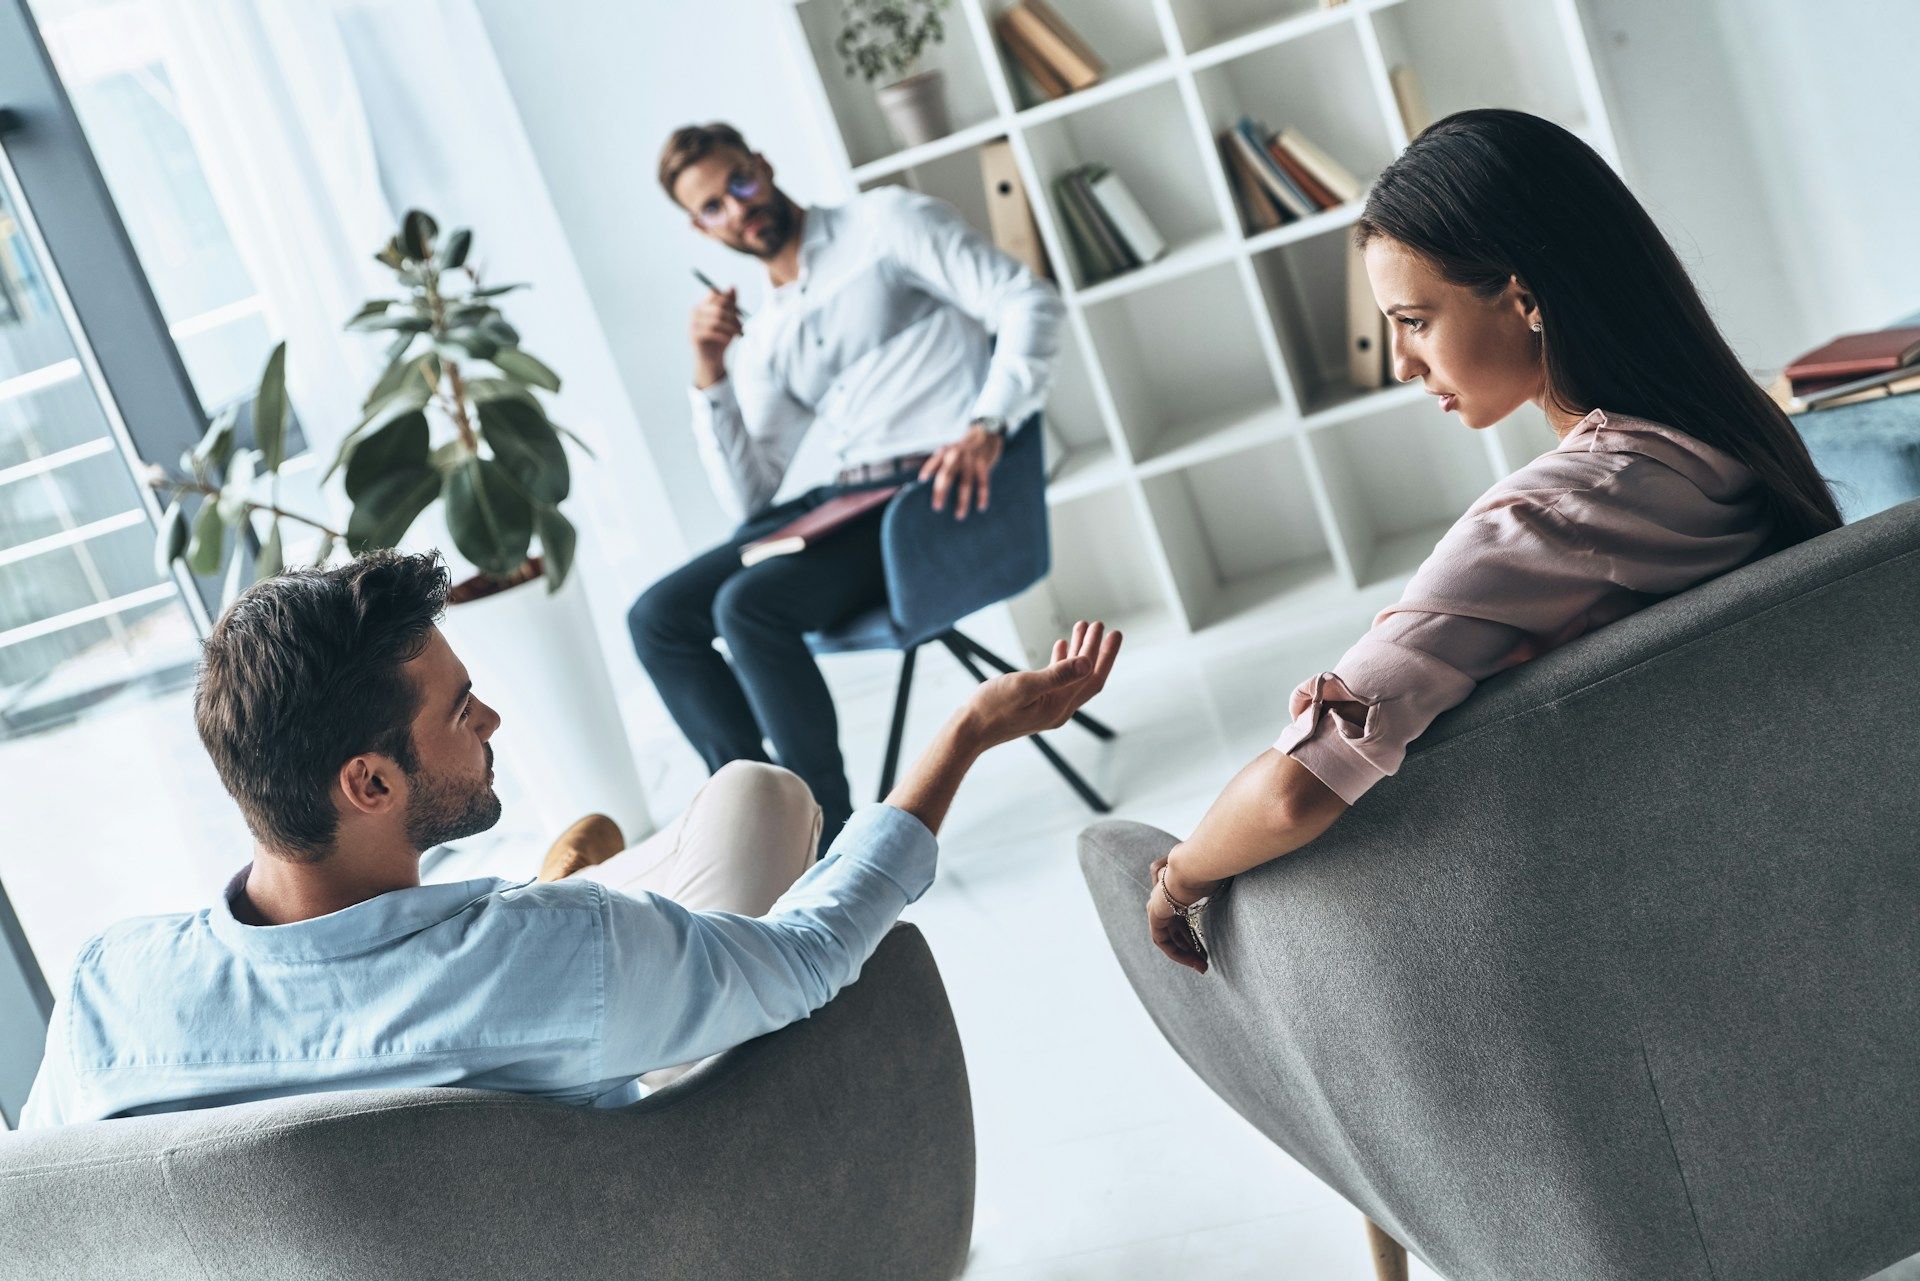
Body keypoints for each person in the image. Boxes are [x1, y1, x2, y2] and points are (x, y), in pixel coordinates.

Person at [19, 550, 1120, 1127]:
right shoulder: (546, 957)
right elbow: (814, 955)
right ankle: (583, 869)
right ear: (367, 780)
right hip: (643, 1142)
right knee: (760, 805)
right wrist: (968, 733)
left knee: (725, 819)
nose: (490, 720)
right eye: (459, 710)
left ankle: (575, 862)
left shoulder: (113, 993)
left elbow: (52, 1211)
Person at [1147, 108, 1841, 972]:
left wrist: (1176, 878)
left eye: (1414, 320)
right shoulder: (1735, 440)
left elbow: (1295, 793)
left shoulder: (1550, 516)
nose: (1400, 363)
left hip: (1600, 932)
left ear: (1522, 298)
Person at [628, 122, 1066, 855]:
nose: (738, 210)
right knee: (657, 618)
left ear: (763, 165)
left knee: (749, 605)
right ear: (699, 228)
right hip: (846, 500)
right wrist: (710, 372)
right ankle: (751, 818)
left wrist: (990, 424)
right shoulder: (768, 333)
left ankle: (822, 838)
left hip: (928, 498)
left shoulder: (885, 224)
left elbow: (1028, 301)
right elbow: (752, 496)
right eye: (713, 207)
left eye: (740, 182)